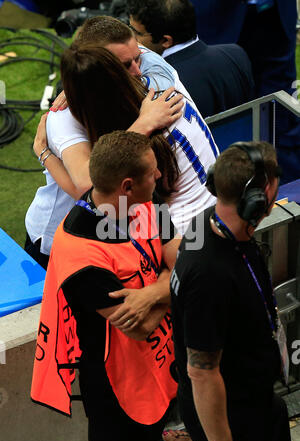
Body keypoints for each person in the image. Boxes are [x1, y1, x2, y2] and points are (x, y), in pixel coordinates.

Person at [26, 15, 217, 268]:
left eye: (137, 58)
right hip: (57, 236)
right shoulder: (66, 118)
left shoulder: (141, 79)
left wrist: (43, 152)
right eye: (126, 65)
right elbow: (88, 186)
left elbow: (104, 197)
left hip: (134, 232)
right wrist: (144, 124)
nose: (138, 70)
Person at [31, 130, 181, 441]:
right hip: (119, 392)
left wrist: (151, 295)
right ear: (127, 185)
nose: (157, 175)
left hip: (162, 366)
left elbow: (182, 261)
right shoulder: (80, 254)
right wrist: (172, 284)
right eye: (151, 171)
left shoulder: (145, 199)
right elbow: (139, 327)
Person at [170, 140, 292, 441]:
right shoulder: (209, 275)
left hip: (258, 403)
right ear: (259, 196)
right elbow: (201, 373)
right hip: (235, 423)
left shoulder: (212, 222)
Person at [189, 0, 300, 184]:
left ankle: (287, 190)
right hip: (216, 20)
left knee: (281, 109)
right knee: (223, 114)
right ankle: (232, 189)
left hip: (276, 14)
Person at [127, 0, 255, 118]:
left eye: (136, 32)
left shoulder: (162, 84)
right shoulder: (236, 53)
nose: (130, 36)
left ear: (166, 40)